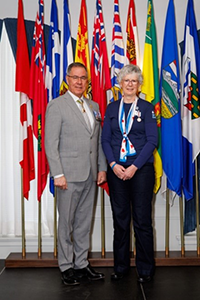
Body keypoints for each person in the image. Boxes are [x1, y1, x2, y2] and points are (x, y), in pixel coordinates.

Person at [45, 62, 107, 286]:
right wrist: (58, 173)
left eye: (83, 78)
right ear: (67, 79)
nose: (79, 82)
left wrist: (101, 168)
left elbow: (98, 141)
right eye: (75, 77)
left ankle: (81, 263)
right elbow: (50, 144)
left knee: (83, 222)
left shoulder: (94, 105)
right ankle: (66, 266)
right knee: (67, 223)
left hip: (90, 174)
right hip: (68, 176)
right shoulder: (57, 105)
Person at [101, 64, 158, 283]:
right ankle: (121, 267)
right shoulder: (111, 108)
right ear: (120, 83)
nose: (130, 84)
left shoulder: (147, 108)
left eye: (134, 81)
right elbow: (105, 139)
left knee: (142, 221)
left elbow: (152, 140)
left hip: (141, 170)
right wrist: (114, 165)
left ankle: (145, 269)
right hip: (116, 170)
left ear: (139, 84)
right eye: (127, 80)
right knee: (120, 221)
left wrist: (134, 167)